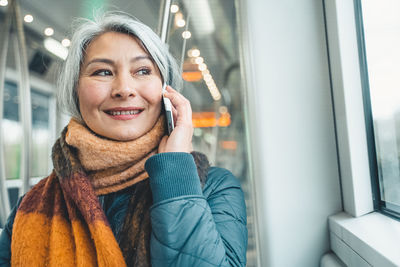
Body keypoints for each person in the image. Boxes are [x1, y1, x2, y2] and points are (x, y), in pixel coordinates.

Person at [0, 12, 247, 266]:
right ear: (76, 91)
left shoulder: (215, 189)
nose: (124, 89)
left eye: (142, 70)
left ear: (166, 91)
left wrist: (176, 177)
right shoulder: (29, 207)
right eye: (103, 72)